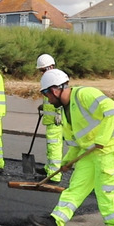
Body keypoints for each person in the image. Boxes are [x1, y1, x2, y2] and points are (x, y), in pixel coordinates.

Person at [29, 69, 114, 226]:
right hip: (89, 150)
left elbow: (111, 108)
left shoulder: (84, 94)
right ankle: (56, 221)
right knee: (76, 187)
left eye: (46, 94)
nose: (47, 99)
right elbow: (75, 143)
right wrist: (66, 162)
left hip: (111, 148)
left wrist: (103, 138)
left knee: (105, 190)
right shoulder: (64, 112)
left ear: (54, 90)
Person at [35, 54, 63, 183]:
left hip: (55, 122)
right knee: (50, 147)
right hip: (50, 120)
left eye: (43, 70)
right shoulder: (50, 78)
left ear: (51, 66)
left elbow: (62, 97)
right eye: (40, 70)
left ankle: (54, 175)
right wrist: (44, 107)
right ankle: (49, 169)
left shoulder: (56, 79)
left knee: (54, 148)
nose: (42, 73)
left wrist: (58, 114)